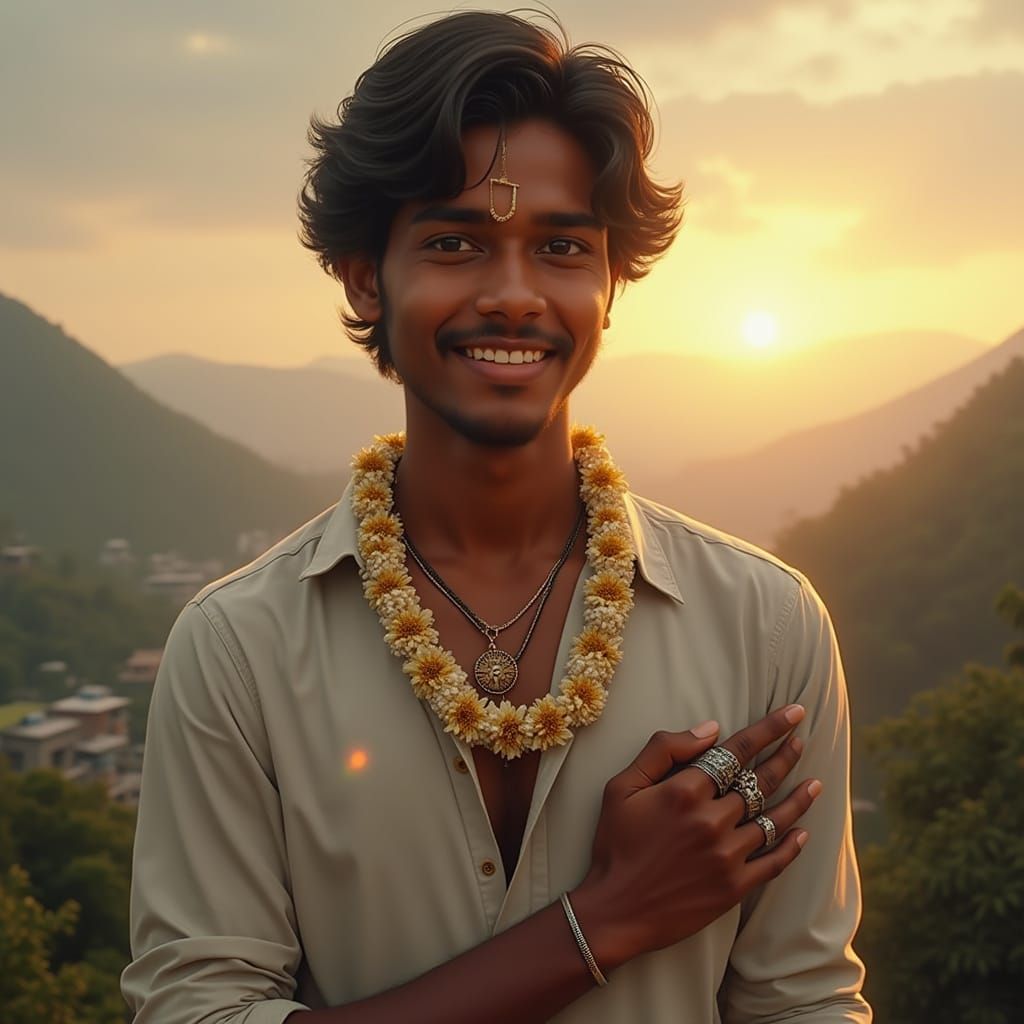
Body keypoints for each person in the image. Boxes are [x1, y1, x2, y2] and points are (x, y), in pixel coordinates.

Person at [122, 10, 871, 1023]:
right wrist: (601, 921)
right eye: (454, 241)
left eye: (561, 244)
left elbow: (804, 1003)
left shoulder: (765, 625)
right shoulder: (240, 650)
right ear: (362, 275)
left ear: (610, 282)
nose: (514, 294)